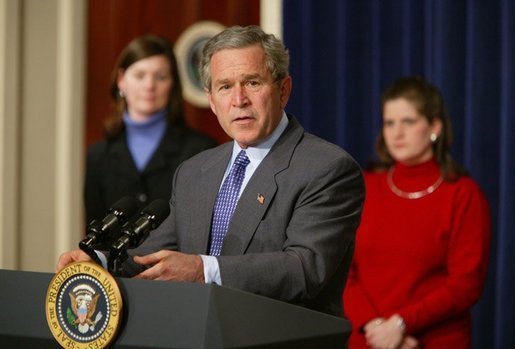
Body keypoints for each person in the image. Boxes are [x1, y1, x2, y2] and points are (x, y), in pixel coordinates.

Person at [58, 25, 365, 317]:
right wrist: (98, 261)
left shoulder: (326, 168)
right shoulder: (195, 171)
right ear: (212, 101)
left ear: (283, 90)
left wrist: (202, 271)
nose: (239, 100)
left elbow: (305, 268)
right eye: (225, 87)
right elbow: (153, 253)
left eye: (253, 83)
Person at [343, 76, 491, 348]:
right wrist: (375, 327)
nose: (396, 133)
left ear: (434, 127)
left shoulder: (462, 194)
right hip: (368, 338)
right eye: (389, 123)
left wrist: (401, 324)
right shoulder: (364, 186)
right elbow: (341, 267)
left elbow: (465, 285)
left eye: (408, 122)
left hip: (433, 341)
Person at [85, 35, 216, 224]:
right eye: (140, 75)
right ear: (121, 80)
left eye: (160, 77)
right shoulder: (98, 156)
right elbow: (94, 234)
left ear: (173, 84)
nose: (149, 85)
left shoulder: (201, 150)